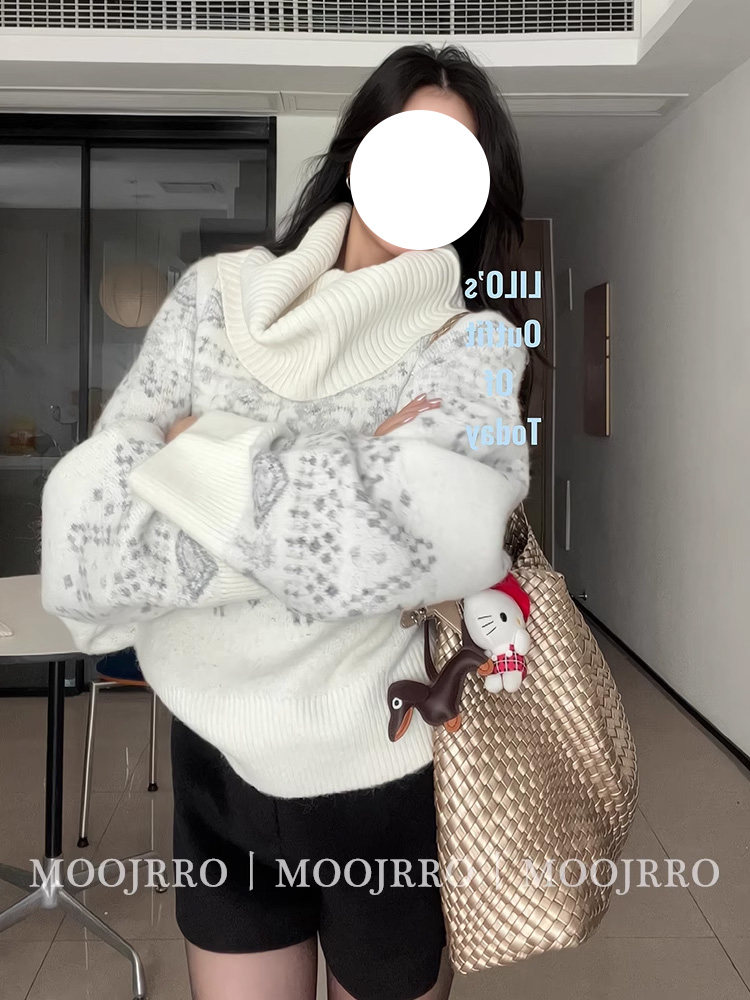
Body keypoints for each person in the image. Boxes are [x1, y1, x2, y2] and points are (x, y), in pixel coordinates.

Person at [41, 42, 530, 1000]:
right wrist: (350, 478)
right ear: (359, 150)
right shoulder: (213, 297)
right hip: (213, 761)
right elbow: (82, 530)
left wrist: (198, 453)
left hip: (384, 773)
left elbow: (450, 539)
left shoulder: (471, 344)